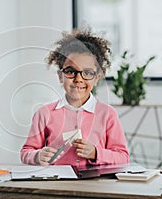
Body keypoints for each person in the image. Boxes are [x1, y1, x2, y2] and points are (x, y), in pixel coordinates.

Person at [20, 28, 129, 167]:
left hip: (96, 186)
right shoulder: (44, 113)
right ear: (60, 76)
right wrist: (37, 156)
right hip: (57, 185)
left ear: (96, 78)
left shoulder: (107, 114)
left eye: (87, 73)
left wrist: (96, 153)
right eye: (71, 71)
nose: (78, 79)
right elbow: (26, 152)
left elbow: (123, 157)